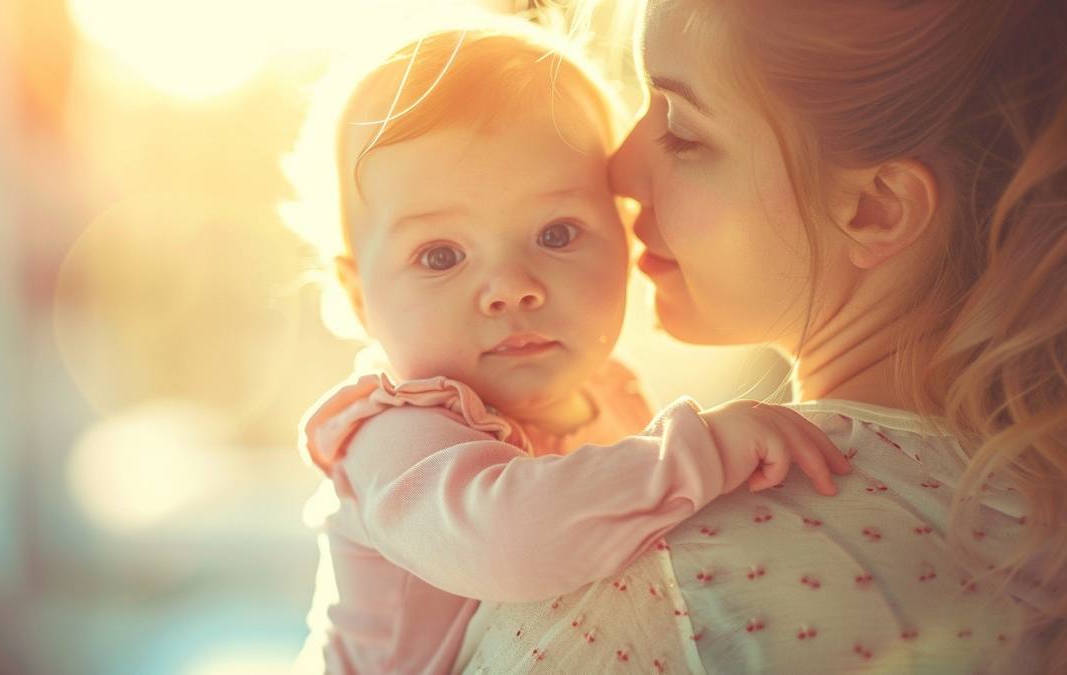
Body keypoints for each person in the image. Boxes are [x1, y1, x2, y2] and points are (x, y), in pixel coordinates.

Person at [454, 0, 1067, 672]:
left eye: (683, 131)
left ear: (875, 207)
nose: (620, 171)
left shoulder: (641, 570)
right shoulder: (1032, 521)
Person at [287, 20, 851, 675]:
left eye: (557, 233)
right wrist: (707, 452)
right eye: (440, 254)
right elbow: (507, 540)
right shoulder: (394, 434)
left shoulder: (610, 399)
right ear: (358, 296)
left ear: (625, 239)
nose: (511, 288)